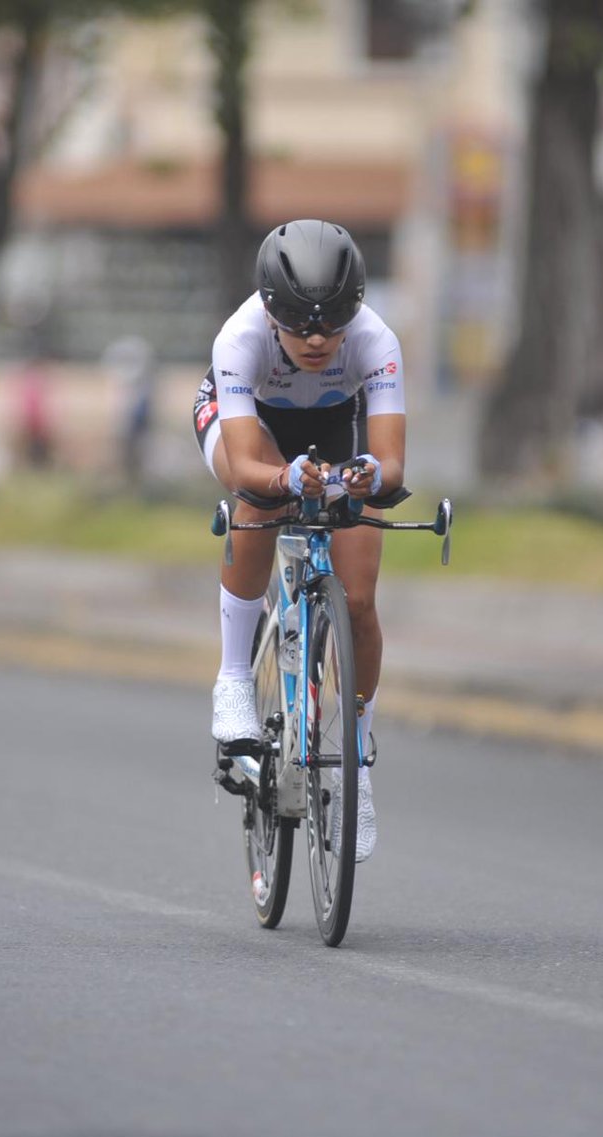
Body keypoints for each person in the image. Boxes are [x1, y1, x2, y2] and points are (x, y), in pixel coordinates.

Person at [193, 219, 406, 861]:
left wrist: (368, 475)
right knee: (261, 495)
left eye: (332, 324)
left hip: (341, 429)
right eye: (299, 325)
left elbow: (392, 465)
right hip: (251, 431)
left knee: (361, 602)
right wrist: (285, 478)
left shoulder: (377, 339)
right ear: (269, 310)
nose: (316, 340)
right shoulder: (240, 338)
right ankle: (234, 678)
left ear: (356, 311)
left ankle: (356, 766)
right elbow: (246, 462)